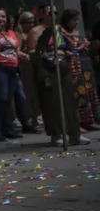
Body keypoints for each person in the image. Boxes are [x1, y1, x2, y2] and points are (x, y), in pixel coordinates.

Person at [33, 9, 83, 146]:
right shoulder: (37, 31)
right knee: (52, 103)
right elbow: (35, 52)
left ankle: (74, 133)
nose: (53, 15)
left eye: (55, 13)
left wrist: (66, 52)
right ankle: (56, 134)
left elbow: (69, 47)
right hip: (48, 70)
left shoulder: (60, 30)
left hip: (63, 68)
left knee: (69, 101)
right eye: (50, 13)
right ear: (44, 15)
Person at [0, 8, 30, 141]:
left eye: (3, 17)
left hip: (12, 68)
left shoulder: (12, 33)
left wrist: (22, 55)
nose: (1, 19)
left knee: (8, 100)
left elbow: (14, 51)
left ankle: (8, 129)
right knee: (0, 99)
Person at [58, 8, 100, 132]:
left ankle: (89, 121)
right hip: (72, 66)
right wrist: (79, 47)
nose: (76, 22)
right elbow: (65, 48)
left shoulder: (77, 33)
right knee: (76, 95)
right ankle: (78, 123)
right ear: (67, 20)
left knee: (88, 92)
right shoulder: (62, 33)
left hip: (84, 65)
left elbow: (84, 45)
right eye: (73, 20)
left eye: (77, 20)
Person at [14, 11, 42, 132]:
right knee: (29, 93)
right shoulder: (18, 35)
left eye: (33, 22)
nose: (31, 25)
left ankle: (38, 117)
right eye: (28, 22)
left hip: (36, 64)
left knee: (37, 92)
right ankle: (32, 119)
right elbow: (16, 51)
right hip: (24, 66)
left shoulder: (35, 32)